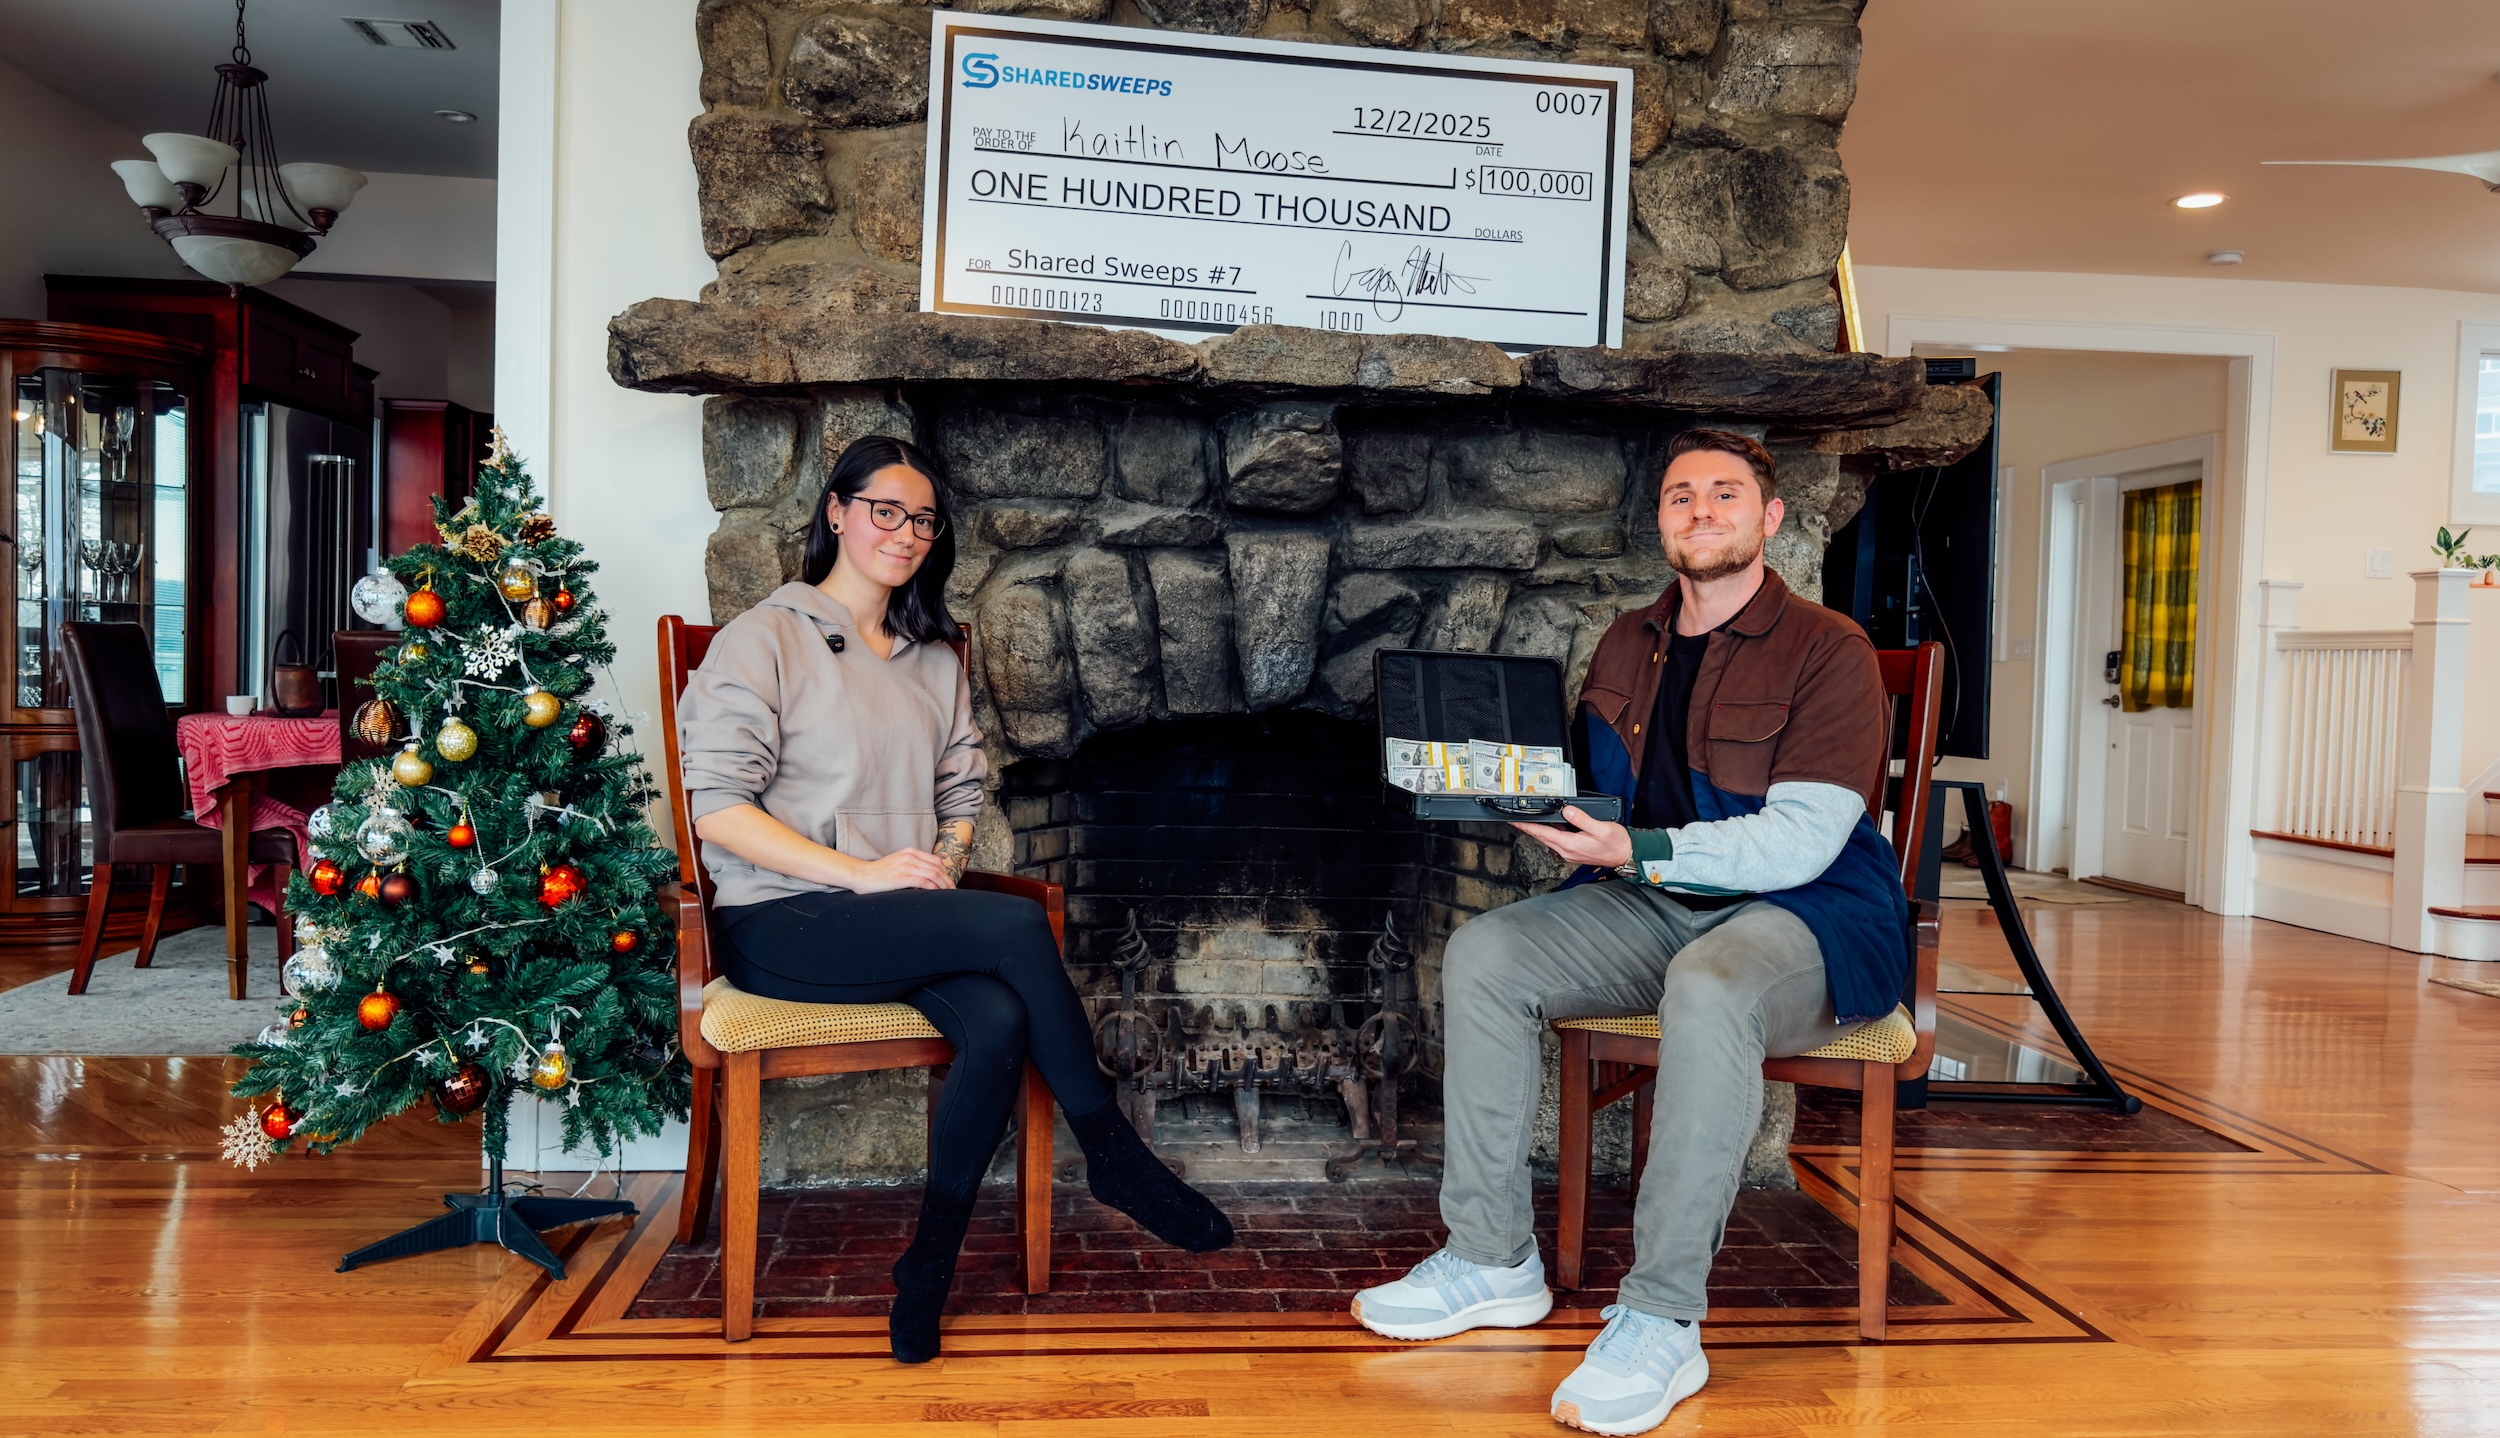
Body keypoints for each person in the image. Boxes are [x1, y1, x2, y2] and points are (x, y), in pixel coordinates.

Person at [1351, 429, 1905, 1436]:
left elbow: (1799, 841)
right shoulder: (1622, 641)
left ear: (1769, 518)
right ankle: (1489, 1258)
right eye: (1680, 496)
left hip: (1808, 912)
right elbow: (1589, 798)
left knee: (1709, 984)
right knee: (1486, 953)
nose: (1701, 511)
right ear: (1660, 522)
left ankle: (1660, 1318)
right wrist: (1492, 790)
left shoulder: (1830, 650)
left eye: (1725, 493)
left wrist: (1636, 847)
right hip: (1653, 898)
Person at [676, 434, 1234, 1364]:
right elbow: (720, 812)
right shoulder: (764, 636)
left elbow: (961, 789)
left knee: (1000, 1015)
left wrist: (942, 856)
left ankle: (925, 1273)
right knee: (1017, 919)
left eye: (923, 519)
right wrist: (861, 873)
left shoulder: (936, 656)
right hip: (783, 919)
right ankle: (1115, 1156)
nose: (905, 532)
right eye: (885, 511)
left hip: (887, 916)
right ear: (837, 513)